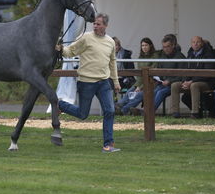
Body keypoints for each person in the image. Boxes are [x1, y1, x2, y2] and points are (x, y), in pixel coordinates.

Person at [56, 13, 121, 153]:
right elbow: (70, 51)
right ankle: (60, 104)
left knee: (110, 111)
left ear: (105, 26)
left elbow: (112, 62)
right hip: (86, 82)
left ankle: (108, 145)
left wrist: (115, 81)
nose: (95, 26)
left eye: (98, 24)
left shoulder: (110, 42)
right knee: (82, 114)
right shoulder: (86, 38)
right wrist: (61, 49)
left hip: (104, 82)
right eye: (94, 24)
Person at [170, 36, 215, 118]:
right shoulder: (190, 54)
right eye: (193, 42)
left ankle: (195, 113)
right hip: (190, 81)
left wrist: (191, 81)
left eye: (198, 42)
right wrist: (184, 81)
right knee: (174, 85)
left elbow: (207, 73)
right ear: (191, 44)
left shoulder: (208, 54)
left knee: (194, 85)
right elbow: (185, 70)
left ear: (202, 43)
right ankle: (175, 113)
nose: (195, 44)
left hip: (207, 82)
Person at [115, 37, 158, 115]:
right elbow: (139, 75)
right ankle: (118, 106)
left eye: (146, 45)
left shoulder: (155, 56)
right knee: (129, 92)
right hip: (140, 83)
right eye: (142, 45)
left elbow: (152, 73)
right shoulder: (140, 57)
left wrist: (140, 87)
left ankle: (123, 110)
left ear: (150, 46)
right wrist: (137, 86)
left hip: (151, 83)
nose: (144, 47)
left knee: (139, 95)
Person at [153, 34, 186, 113]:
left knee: (160, 92)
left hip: (174, 84)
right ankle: (145, 110)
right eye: (164, 47)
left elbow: (182, 75)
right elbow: (159, 70)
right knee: (153, 91)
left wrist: (169, 81)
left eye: (168, 46)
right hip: (163, 83)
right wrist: (158, 78)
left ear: (173, 45)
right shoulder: (162, 57)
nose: (166, 49)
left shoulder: (180, 57)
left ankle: (149, 111)